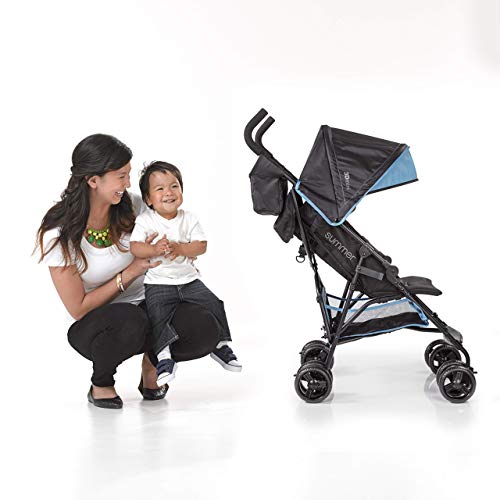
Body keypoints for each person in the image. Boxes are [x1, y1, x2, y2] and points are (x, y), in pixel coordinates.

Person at [35, 134, 168, 409]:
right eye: (121, 176)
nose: (128, 183)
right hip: (99, 326)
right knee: (131, 319)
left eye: (129, 174)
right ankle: (101, 383)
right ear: (93, 180)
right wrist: (131, 272)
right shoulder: (58, 234)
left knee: (199, 319)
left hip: (147, 305)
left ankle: (151, 366)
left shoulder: (133, 206)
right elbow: (79, 308)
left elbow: (169, 229)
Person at [130, 161, 242, 385]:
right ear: (149, 199)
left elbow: (201, 246)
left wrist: (181, 248)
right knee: (158, 317)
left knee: (214, 303)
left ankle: (221, 344)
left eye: (174, 186)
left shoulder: (189, 218)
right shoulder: (145, 221)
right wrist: (154, 249)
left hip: (189, 280)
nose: (169, 192)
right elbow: (135, 248)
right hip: (158, 283)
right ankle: (164, 357)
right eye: (160, 189)